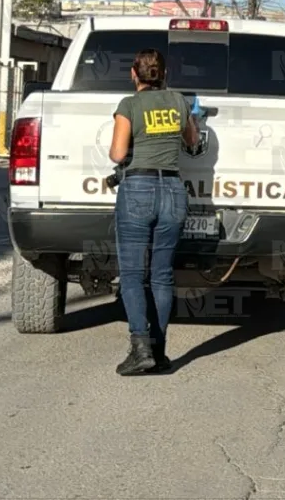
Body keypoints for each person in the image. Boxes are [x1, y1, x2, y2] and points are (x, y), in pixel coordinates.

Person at [109, 49, 200, 376]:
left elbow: (117, 154)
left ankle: (140, 349)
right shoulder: (179, 101)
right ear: (164, 75)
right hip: (173, 191)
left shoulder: (129, 105)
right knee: (162, 275)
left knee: (133, 274)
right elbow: (192, 142)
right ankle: (159, 353)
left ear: (135, 74)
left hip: (138, 190)